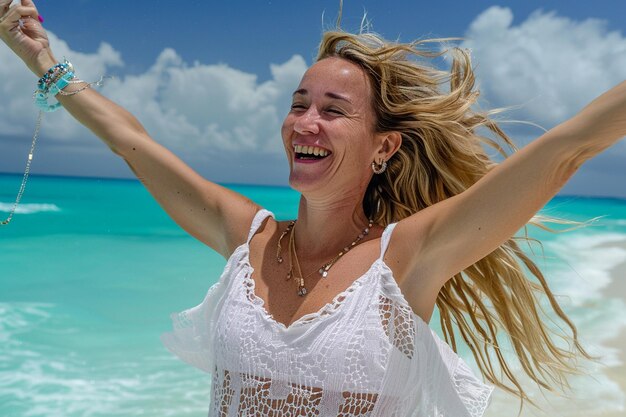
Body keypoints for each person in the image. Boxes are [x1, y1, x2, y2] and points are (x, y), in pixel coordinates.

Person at [1, 1, 625, 416]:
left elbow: (567, 148)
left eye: (333, 110)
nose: (306, 122)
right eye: (299, 103)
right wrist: (41, 60)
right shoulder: (248, 239)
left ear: (383, 147)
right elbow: (132, 143)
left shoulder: (406, 258)